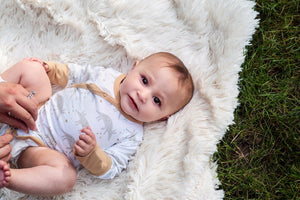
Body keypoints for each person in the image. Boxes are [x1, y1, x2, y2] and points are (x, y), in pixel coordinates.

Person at [0, 52, 194, 196]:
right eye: (144, 80)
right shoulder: (106, 76)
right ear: (134, 68)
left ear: (162, 118)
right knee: (31, 68)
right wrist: (50, 68)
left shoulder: (133, 135)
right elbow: (74, 73)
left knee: (66, 177)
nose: (143, 96)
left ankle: (8, 177)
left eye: (157, 101)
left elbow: (112, 167)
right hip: (36, 108)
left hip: (40, 149)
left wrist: (93, 154)